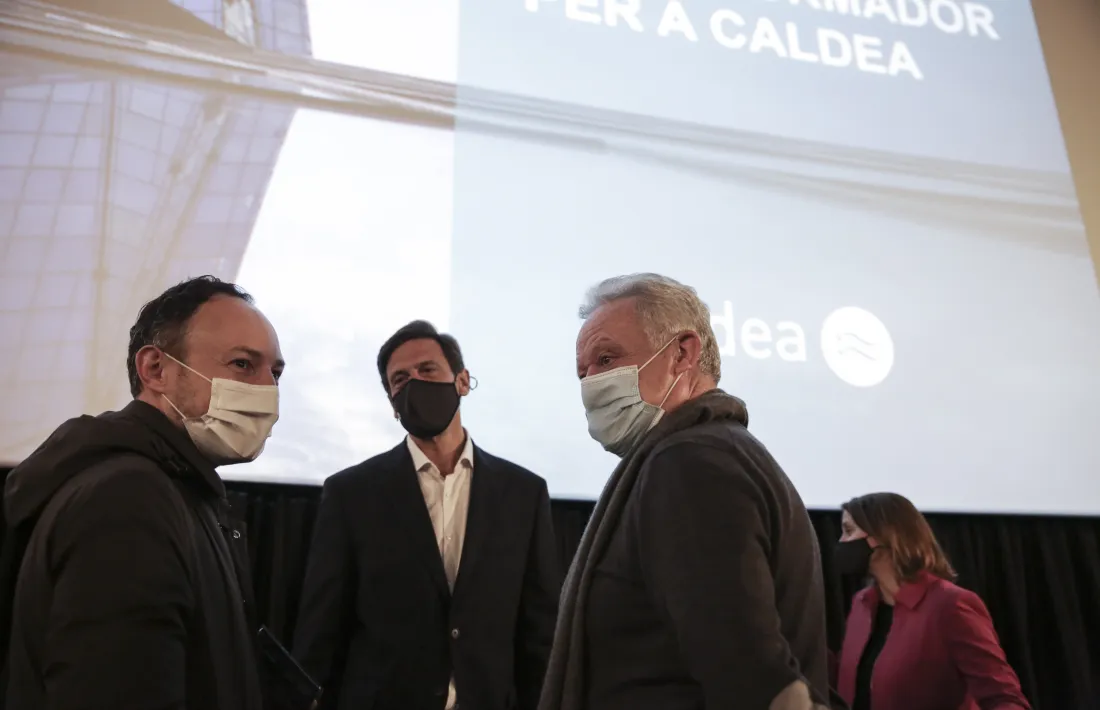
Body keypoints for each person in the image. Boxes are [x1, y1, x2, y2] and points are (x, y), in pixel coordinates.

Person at [540, 273, 831, 710]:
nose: (591, 384)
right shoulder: (714, 451)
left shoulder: (690, 465)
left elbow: (749, 673)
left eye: (606, 358)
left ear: (681, 353)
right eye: (584, 372)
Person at [0, 275, 283, 710]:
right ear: (155, 370)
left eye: (275, 372)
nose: (267, 389)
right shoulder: (128, 500)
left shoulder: (181, 491)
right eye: (243, 364)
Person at [293, 320, 560, 710]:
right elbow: (321, 631)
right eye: (400, 379)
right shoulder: (351, 493)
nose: (414, 382)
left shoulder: (524, 492)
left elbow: (540, 631)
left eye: (428, 370)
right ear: (392, 403)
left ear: (463, 381)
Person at [834, 492, 1031, 710]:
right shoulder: (862, 604)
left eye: (849, 531)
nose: (842, 542)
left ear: (884, 535)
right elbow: (849, 680)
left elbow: (1004, 698)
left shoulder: (950, 605)